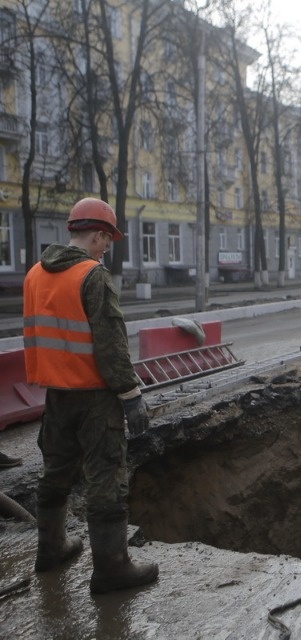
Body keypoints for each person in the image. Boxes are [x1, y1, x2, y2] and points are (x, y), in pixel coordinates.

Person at [22, 197, 158, 594]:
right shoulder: (92, 276)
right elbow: (111, 344)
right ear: (97, 234)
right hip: (95, 396)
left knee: (56, 471)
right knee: (106, 478)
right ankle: (112, 567)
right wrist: (131, 395)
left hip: (56, 395)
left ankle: (50, 549)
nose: (106, 248)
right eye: (106, 240)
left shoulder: (34, 275)